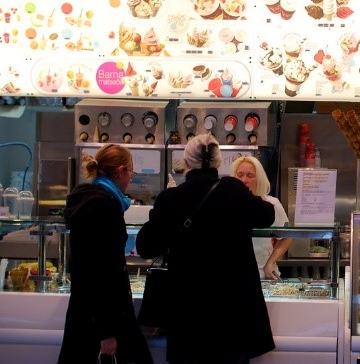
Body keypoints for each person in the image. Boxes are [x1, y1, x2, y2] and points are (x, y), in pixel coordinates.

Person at [136, 133, 276, 364]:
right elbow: (267, 215)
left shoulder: (171, 198)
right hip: (232, 313)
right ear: (218, 162)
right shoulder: (233, 189)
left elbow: (145, 247)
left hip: (187, 313)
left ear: (187, 163)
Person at [58, 144, 153, 364]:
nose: (131, 178)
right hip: (103, 320)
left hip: (86, 313)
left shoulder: (89, 199)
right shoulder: (104, 206)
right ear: (120, 172)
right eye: (130, 171)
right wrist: (107, 332)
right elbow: (100, 274)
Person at [229, 155, 292, 280]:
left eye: (250, 175)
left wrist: (270, 263)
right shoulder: (225, 205)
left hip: (263, 275)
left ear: (260, 179)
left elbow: (287, 236)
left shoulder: (271, 204)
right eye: (240, 175)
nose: (244, 180)